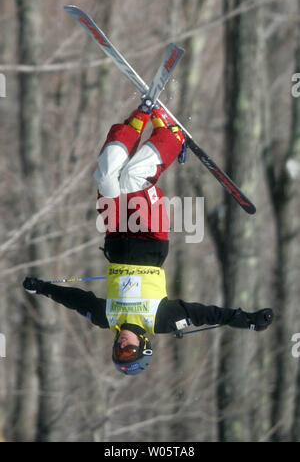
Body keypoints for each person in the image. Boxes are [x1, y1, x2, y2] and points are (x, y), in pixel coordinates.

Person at [23, 101, 273, 376]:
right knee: (133, 178)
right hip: (150, 239)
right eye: (129, 350)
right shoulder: (161, 320)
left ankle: (138, 119)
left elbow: (74, 300)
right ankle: (172, 136)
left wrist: (42, 287)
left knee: (107, 176)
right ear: (143, 344)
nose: (122, 345)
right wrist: (247, 320)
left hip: (116, 234)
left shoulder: (107, 318)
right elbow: (206, 314)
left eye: (118, 351)